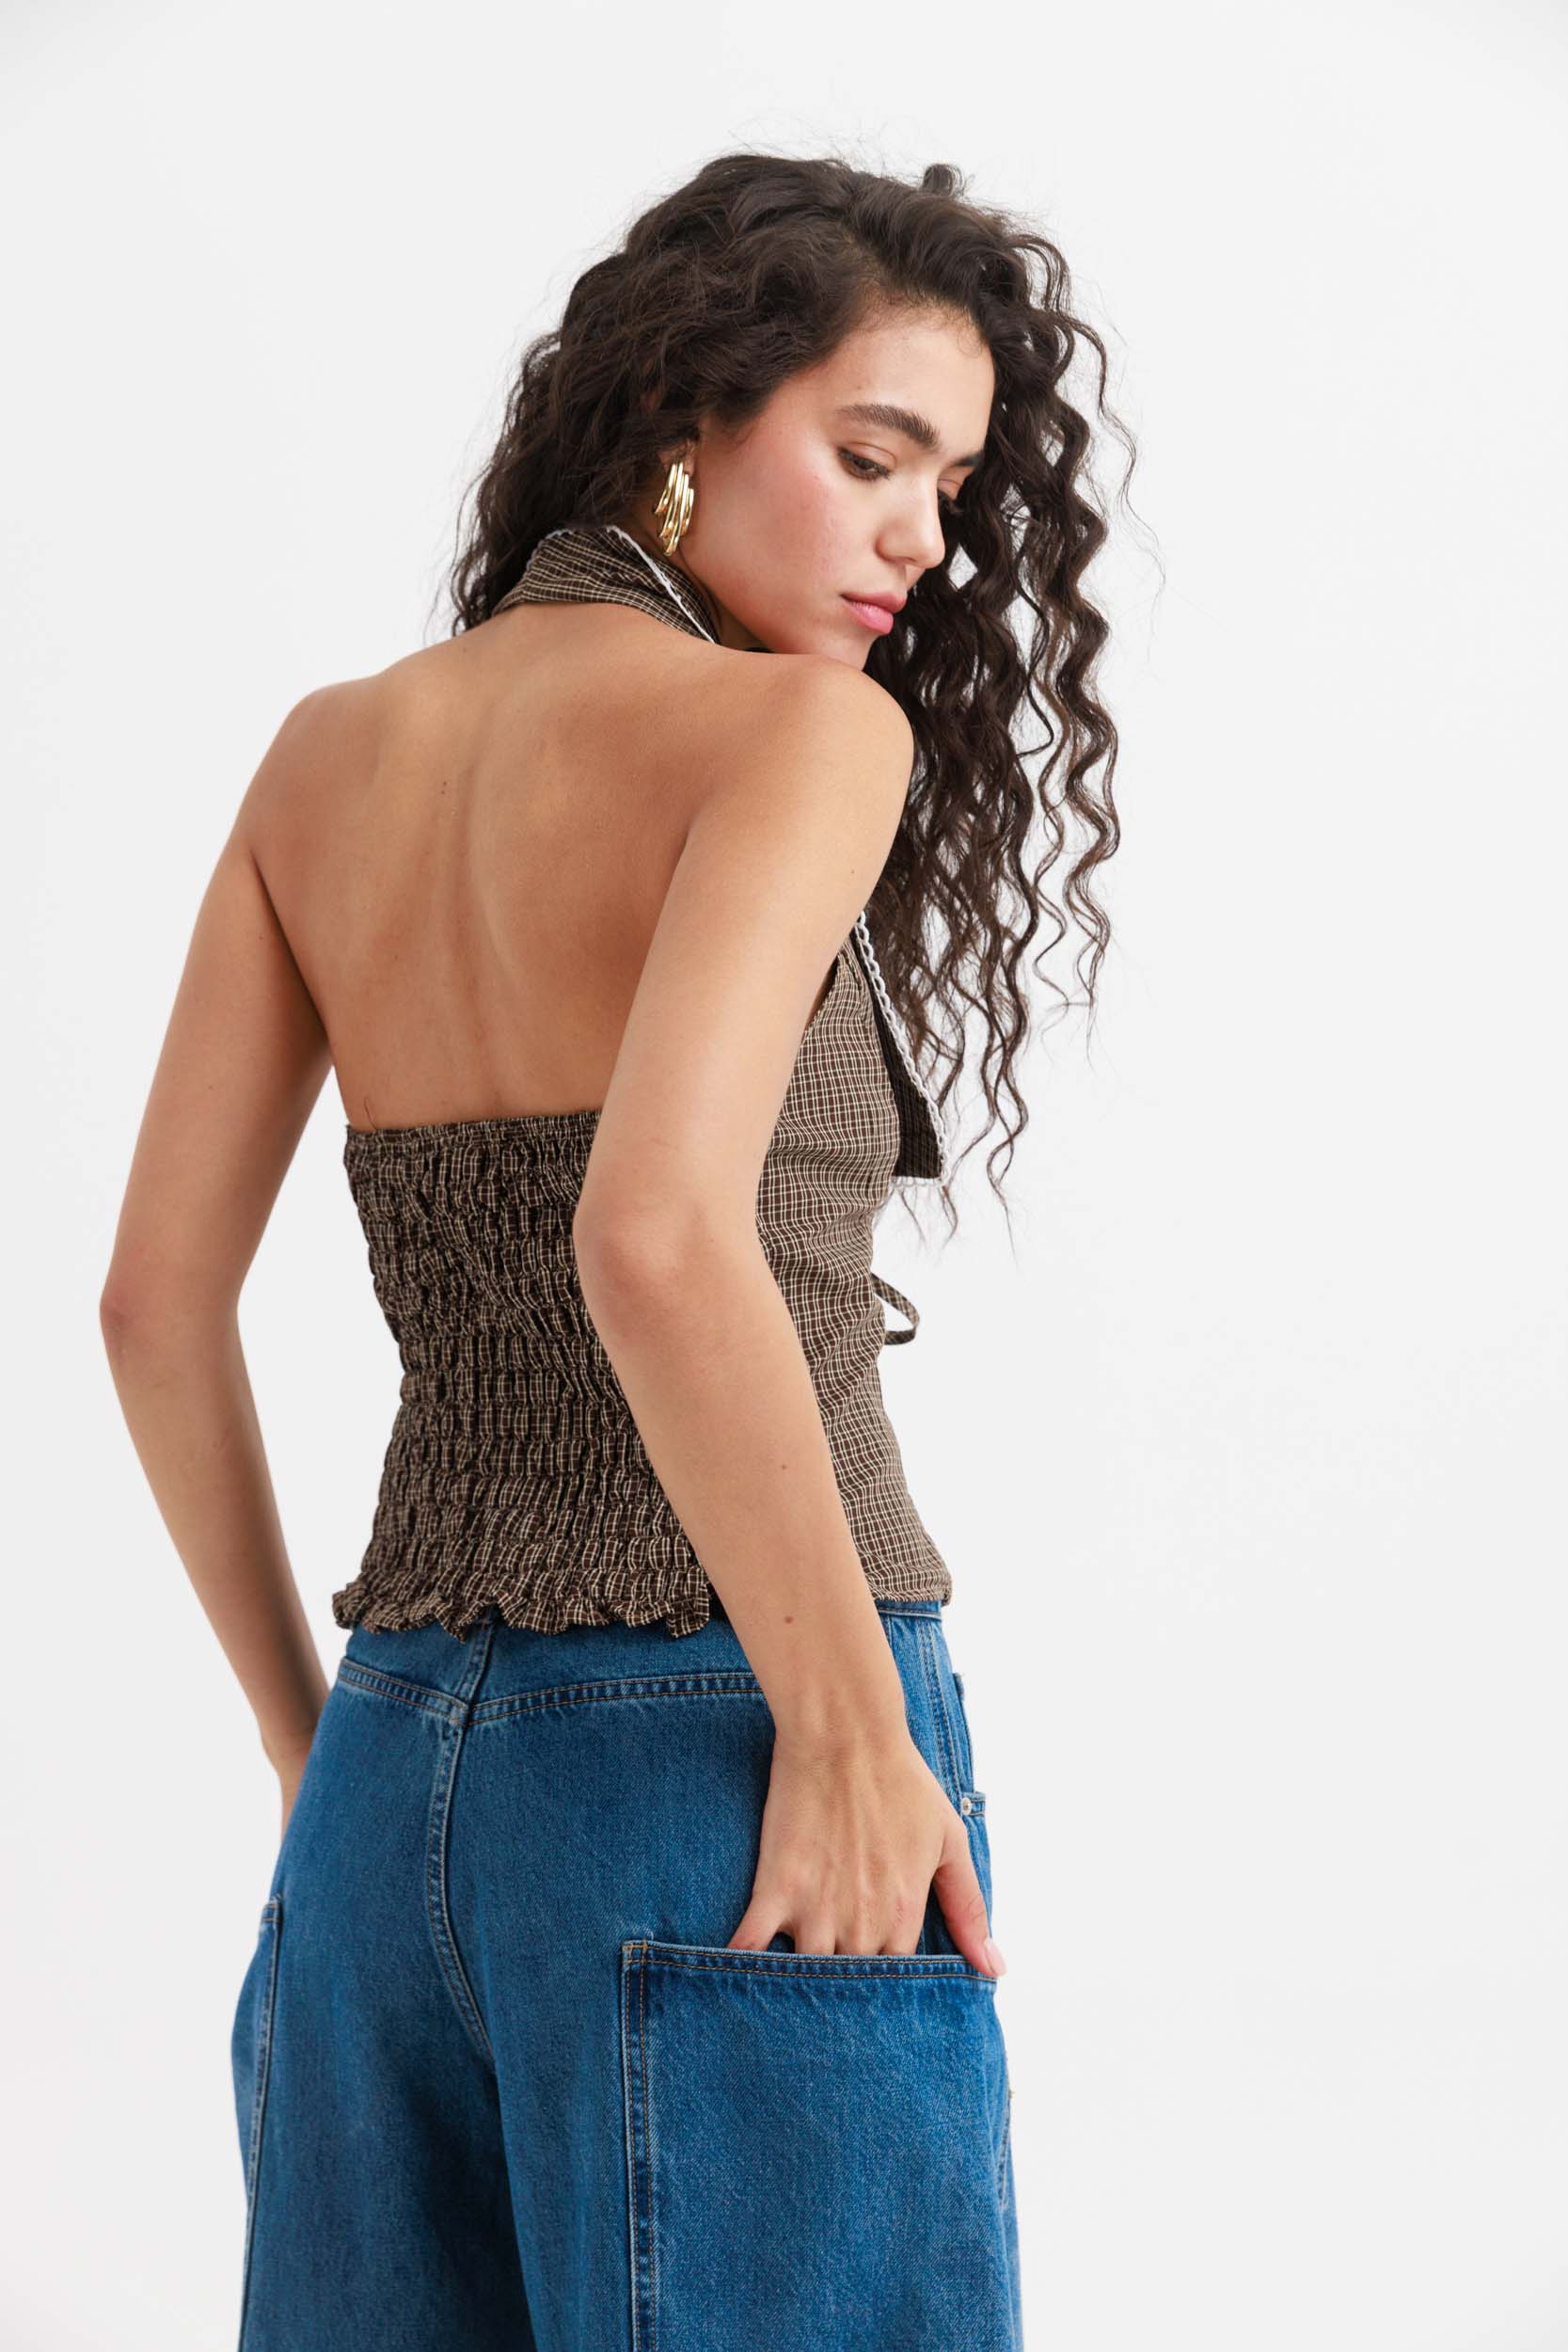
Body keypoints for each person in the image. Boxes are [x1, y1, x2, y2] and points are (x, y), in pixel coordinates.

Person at [101, 151, 1127, 2350]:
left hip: (395, 1773)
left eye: (951, 489)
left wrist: (310, 1748)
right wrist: (848, 1724)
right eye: (871, 456)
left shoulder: (331, 754)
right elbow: (651, 1229)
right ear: (683, 410)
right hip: (725, 1747)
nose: (921, 540)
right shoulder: (801, 733)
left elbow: (151, 1300)